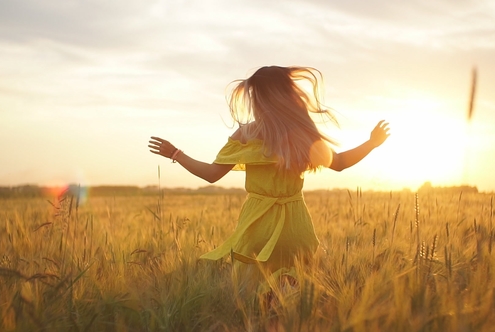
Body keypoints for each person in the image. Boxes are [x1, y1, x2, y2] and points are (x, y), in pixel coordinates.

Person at [148, 66, 389, 295]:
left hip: (257, 223)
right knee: (296, 289)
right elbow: (339, 163)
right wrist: (371, 144)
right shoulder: (302, 132)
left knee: (253, 293)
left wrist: (176, 154)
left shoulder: (246, 133)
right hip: (296, 225)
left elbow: (212, 175)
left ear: (261, 98)